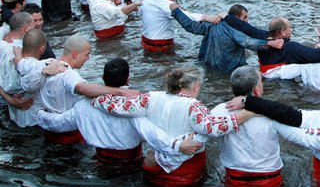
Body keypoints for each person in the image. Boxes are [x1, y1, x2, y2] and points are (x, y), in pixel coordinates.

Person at [91, 67, 254, 187]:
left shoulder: (150, 97)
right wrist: (253, 110)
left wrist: (96, 100)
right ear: (196, 86)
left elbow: (116, 106)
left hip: (154, 166)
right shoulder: (194, 106)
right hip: (185, 173)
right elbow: (214, 128)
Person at [213, 66, 320, 187]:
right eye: (261, 83)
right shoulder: (272, 116)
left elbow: (202, 134)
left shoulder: (218, 111)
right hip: (268, 182)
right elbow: (301, 136)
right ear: (257, 90)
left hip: (233, 179)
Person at [37, 58, 202, 163]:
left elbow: (59, 123)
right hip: (130, 163)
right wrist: (177, 145)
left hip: (100, 162)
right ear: (128, 78)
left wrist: (39, 113)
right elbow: (151, 133)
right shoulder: (134, 106)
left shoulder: (83, 105)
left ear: (103, 79)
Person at [23, 35, 137, 145]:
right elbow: (81, 88)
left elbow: (22, 68)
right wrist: (120, 91)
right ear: (75, 54)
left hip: (47, 130)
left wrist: (17, 54)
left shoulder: (44, 65)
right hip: (70, 136)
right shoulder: (68, 74)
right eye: (87, 55)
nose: (88, 59)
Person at [169, 3, 283, 72]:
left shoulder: (212, 24)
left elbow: (190, 26)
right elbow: (248, 42)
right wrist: (268, 43)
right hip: (230, 70)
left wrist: (176, 11)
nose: (247, 21)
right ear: (235, 18)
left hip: (208, 65)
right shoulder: (234, 31)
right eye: (245, 17)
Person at [139, 0, 211, 52]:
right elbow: (187, 17)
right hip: (161, 47)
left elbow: (141, 11)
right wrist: (207, 18)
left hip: (144, 43)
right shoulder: (168, 5)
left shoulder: (147, 0)